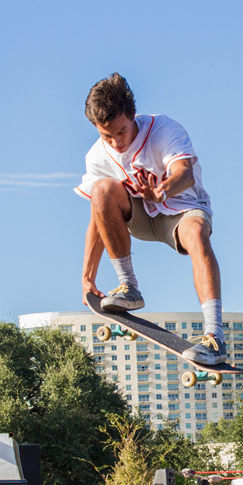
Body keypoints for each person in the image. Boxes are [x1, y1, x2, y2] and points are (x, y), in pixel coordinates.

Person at [76, 73, 226, 365]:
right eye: (107, 136)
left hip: (182, 210)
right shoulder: (97, 156)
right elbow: (98, 215)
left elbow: (184, 173)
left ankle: (214, 337)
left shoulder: (164, 129)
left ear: (132, 116)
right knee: (102, 190)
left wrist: (161, 190)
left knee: (196, 233)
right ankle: (129, 286)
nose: (116, 142)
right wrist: (87, 278)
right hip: (141, 218)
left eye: (121, 132)